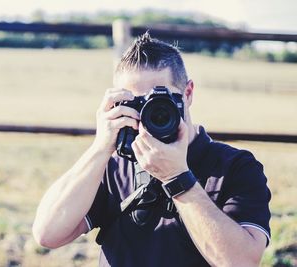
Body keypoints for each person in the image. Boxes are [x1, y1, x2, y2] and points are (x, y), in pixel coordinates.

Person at [32, 32, 271, 267]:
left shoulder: (235, 167)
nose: (149, 112)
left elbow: (243, 262)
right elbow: (47, 234)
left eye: (160, 99)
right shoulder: (112, 165)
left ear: (188, 94)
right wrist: (100, 148)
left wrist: (177, 178)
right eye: (136, 103)